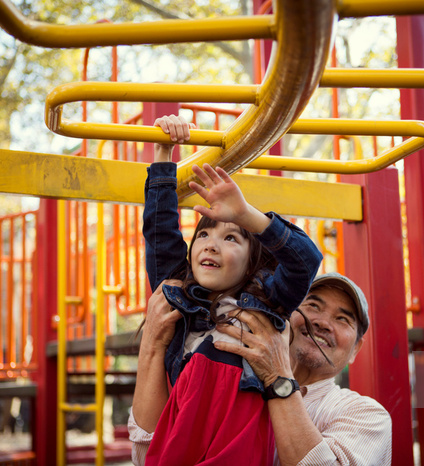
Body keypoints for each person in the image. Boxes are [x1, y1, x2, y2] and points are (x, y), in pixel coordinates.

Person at [130, 114, 323, 465]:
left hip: (238, 450)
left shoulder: (269, 301)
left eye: (230, 237)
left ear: (253, 262)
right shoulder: (178, 299)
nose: (211, 244)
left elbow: (306, 260)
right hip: (182, 447)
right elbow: (159, 233)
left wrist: (248, 216)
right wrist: (163, 153)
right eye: (203, 234)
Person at [130, 271, 393, 465]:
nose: (322, 322)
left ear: (356, 348)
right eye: (313, 305)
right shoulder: (228, 380)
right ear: (285, 316)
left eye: (342, 319)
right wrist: (152, 343)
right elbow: (147, 454)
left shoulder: (366, 415)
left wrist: (276, 376)